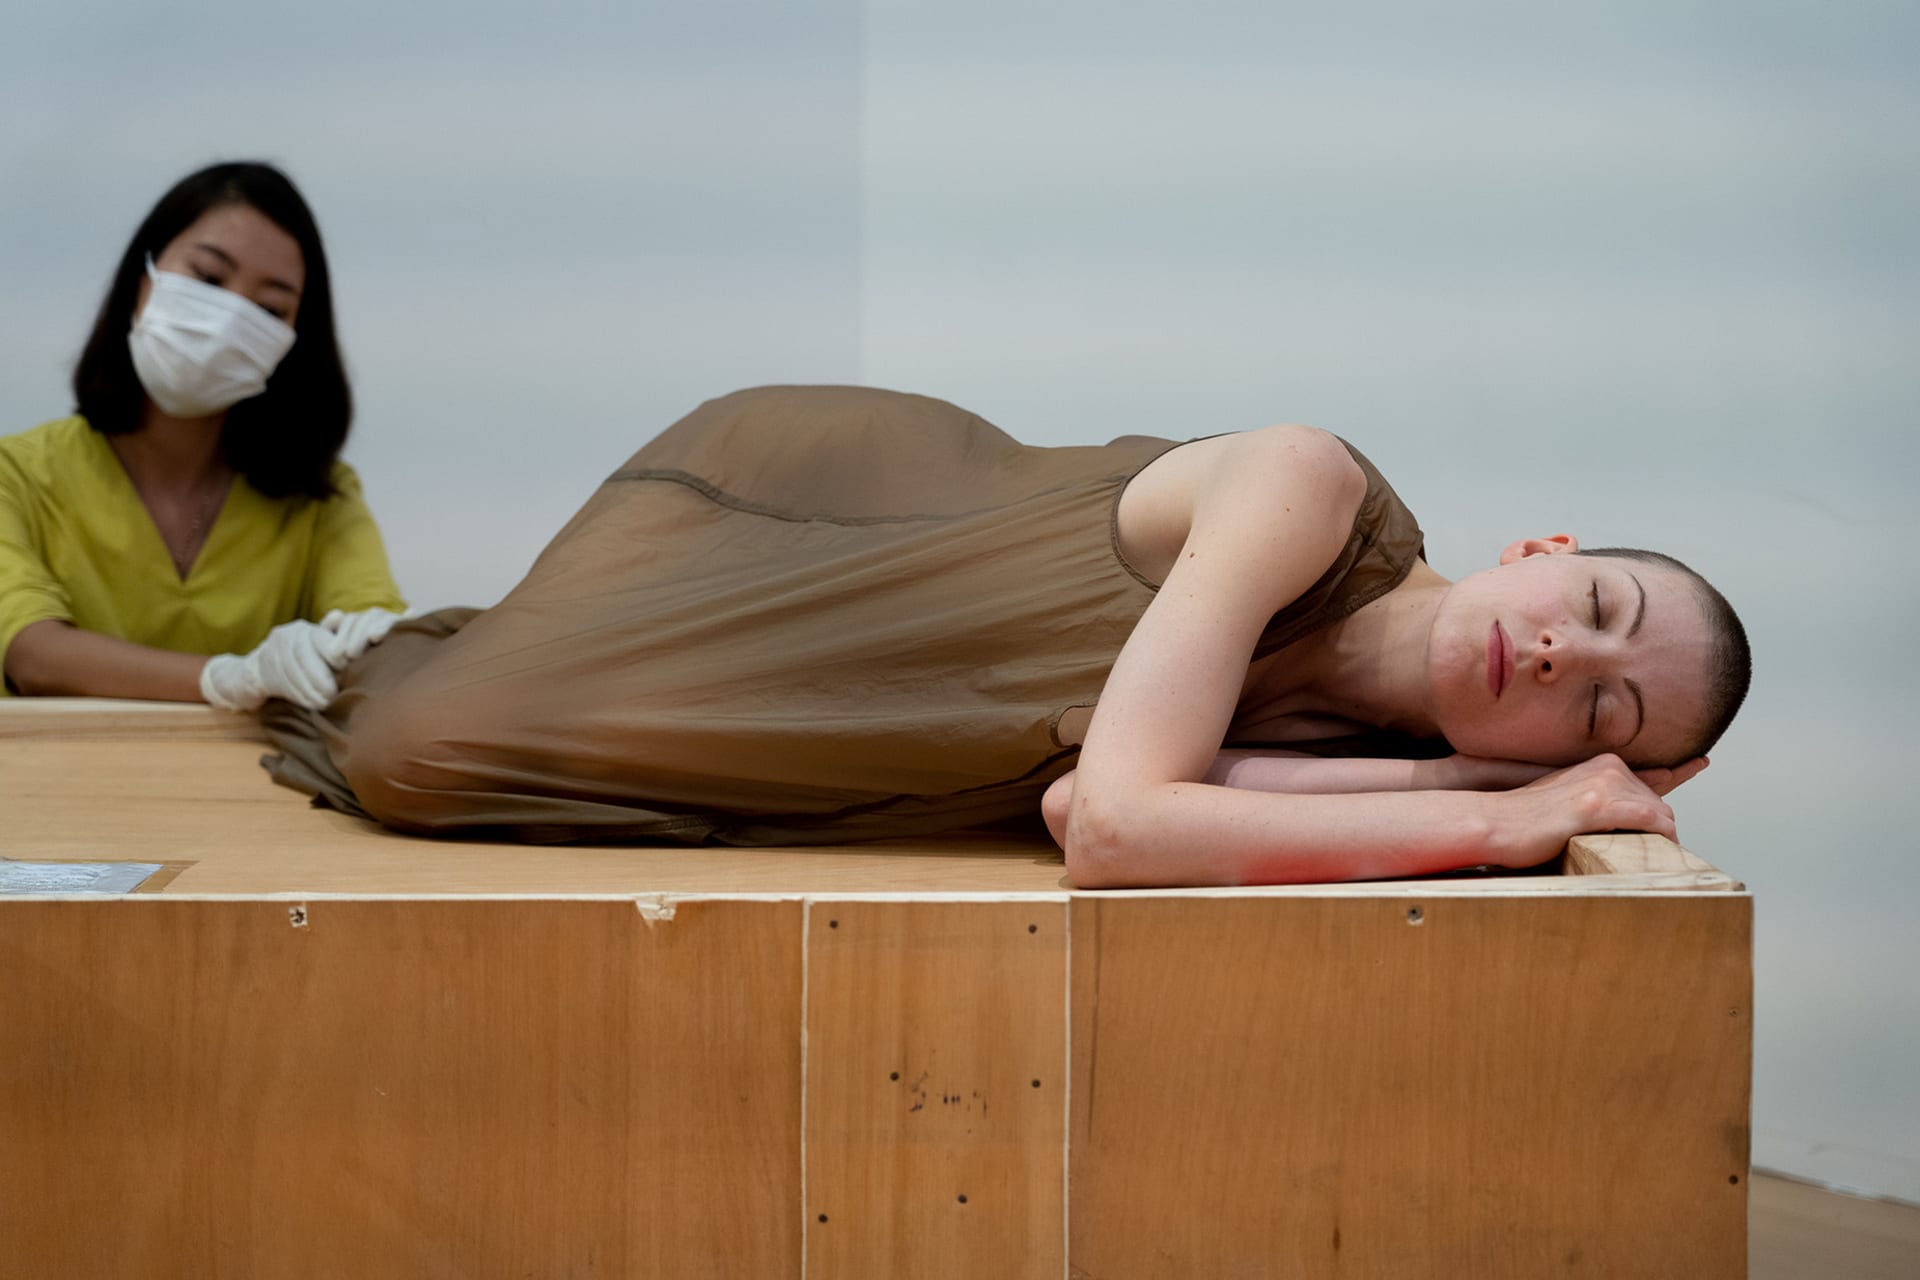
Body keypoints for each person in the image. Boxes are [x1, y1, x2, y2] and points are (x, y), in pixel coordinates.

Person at [258, 385, 1748, 887]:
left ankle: (395, 654)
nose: (1562, 658)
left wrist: (1479, 793)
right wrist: (1508, 821)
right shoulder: (1307, 485)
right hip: (812, 525)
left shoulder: (1387, 751)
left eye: (1604, 714)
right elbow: (1114, 826)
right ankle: (354, 641)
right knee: (421, 739)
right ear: (1545, 551)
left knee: (423, 766)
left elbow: (1069, 805)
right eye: (1596, 609)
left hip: (874, 714)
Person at [0, 161, 406, 711]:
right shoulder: (17, 475)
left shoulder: (320, 496)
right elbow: (32, 655)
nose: (230, 319)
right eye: (210, 280)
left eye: (269, 307)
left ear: (292, 341)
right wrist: (229, 677)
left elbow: (372, 635)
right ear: (142, 284)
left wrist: (382, 645)